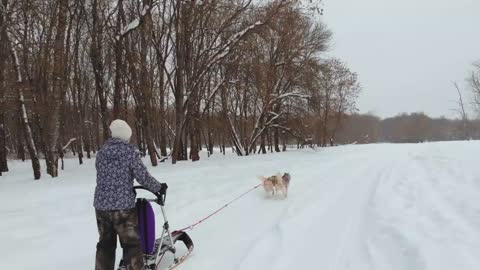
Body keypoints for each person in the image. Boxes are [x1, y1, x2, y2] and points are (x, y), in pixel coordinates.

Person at [94, 119, 167, 270]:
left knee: (105, 245)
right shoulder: (129, 152)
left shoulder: (101, 153)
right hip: (123, 208)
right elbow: (142, 176)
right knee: (131, 244)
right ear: (126, 136)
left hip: (101, 207)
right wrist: (158, 187)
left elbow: (107, 177)